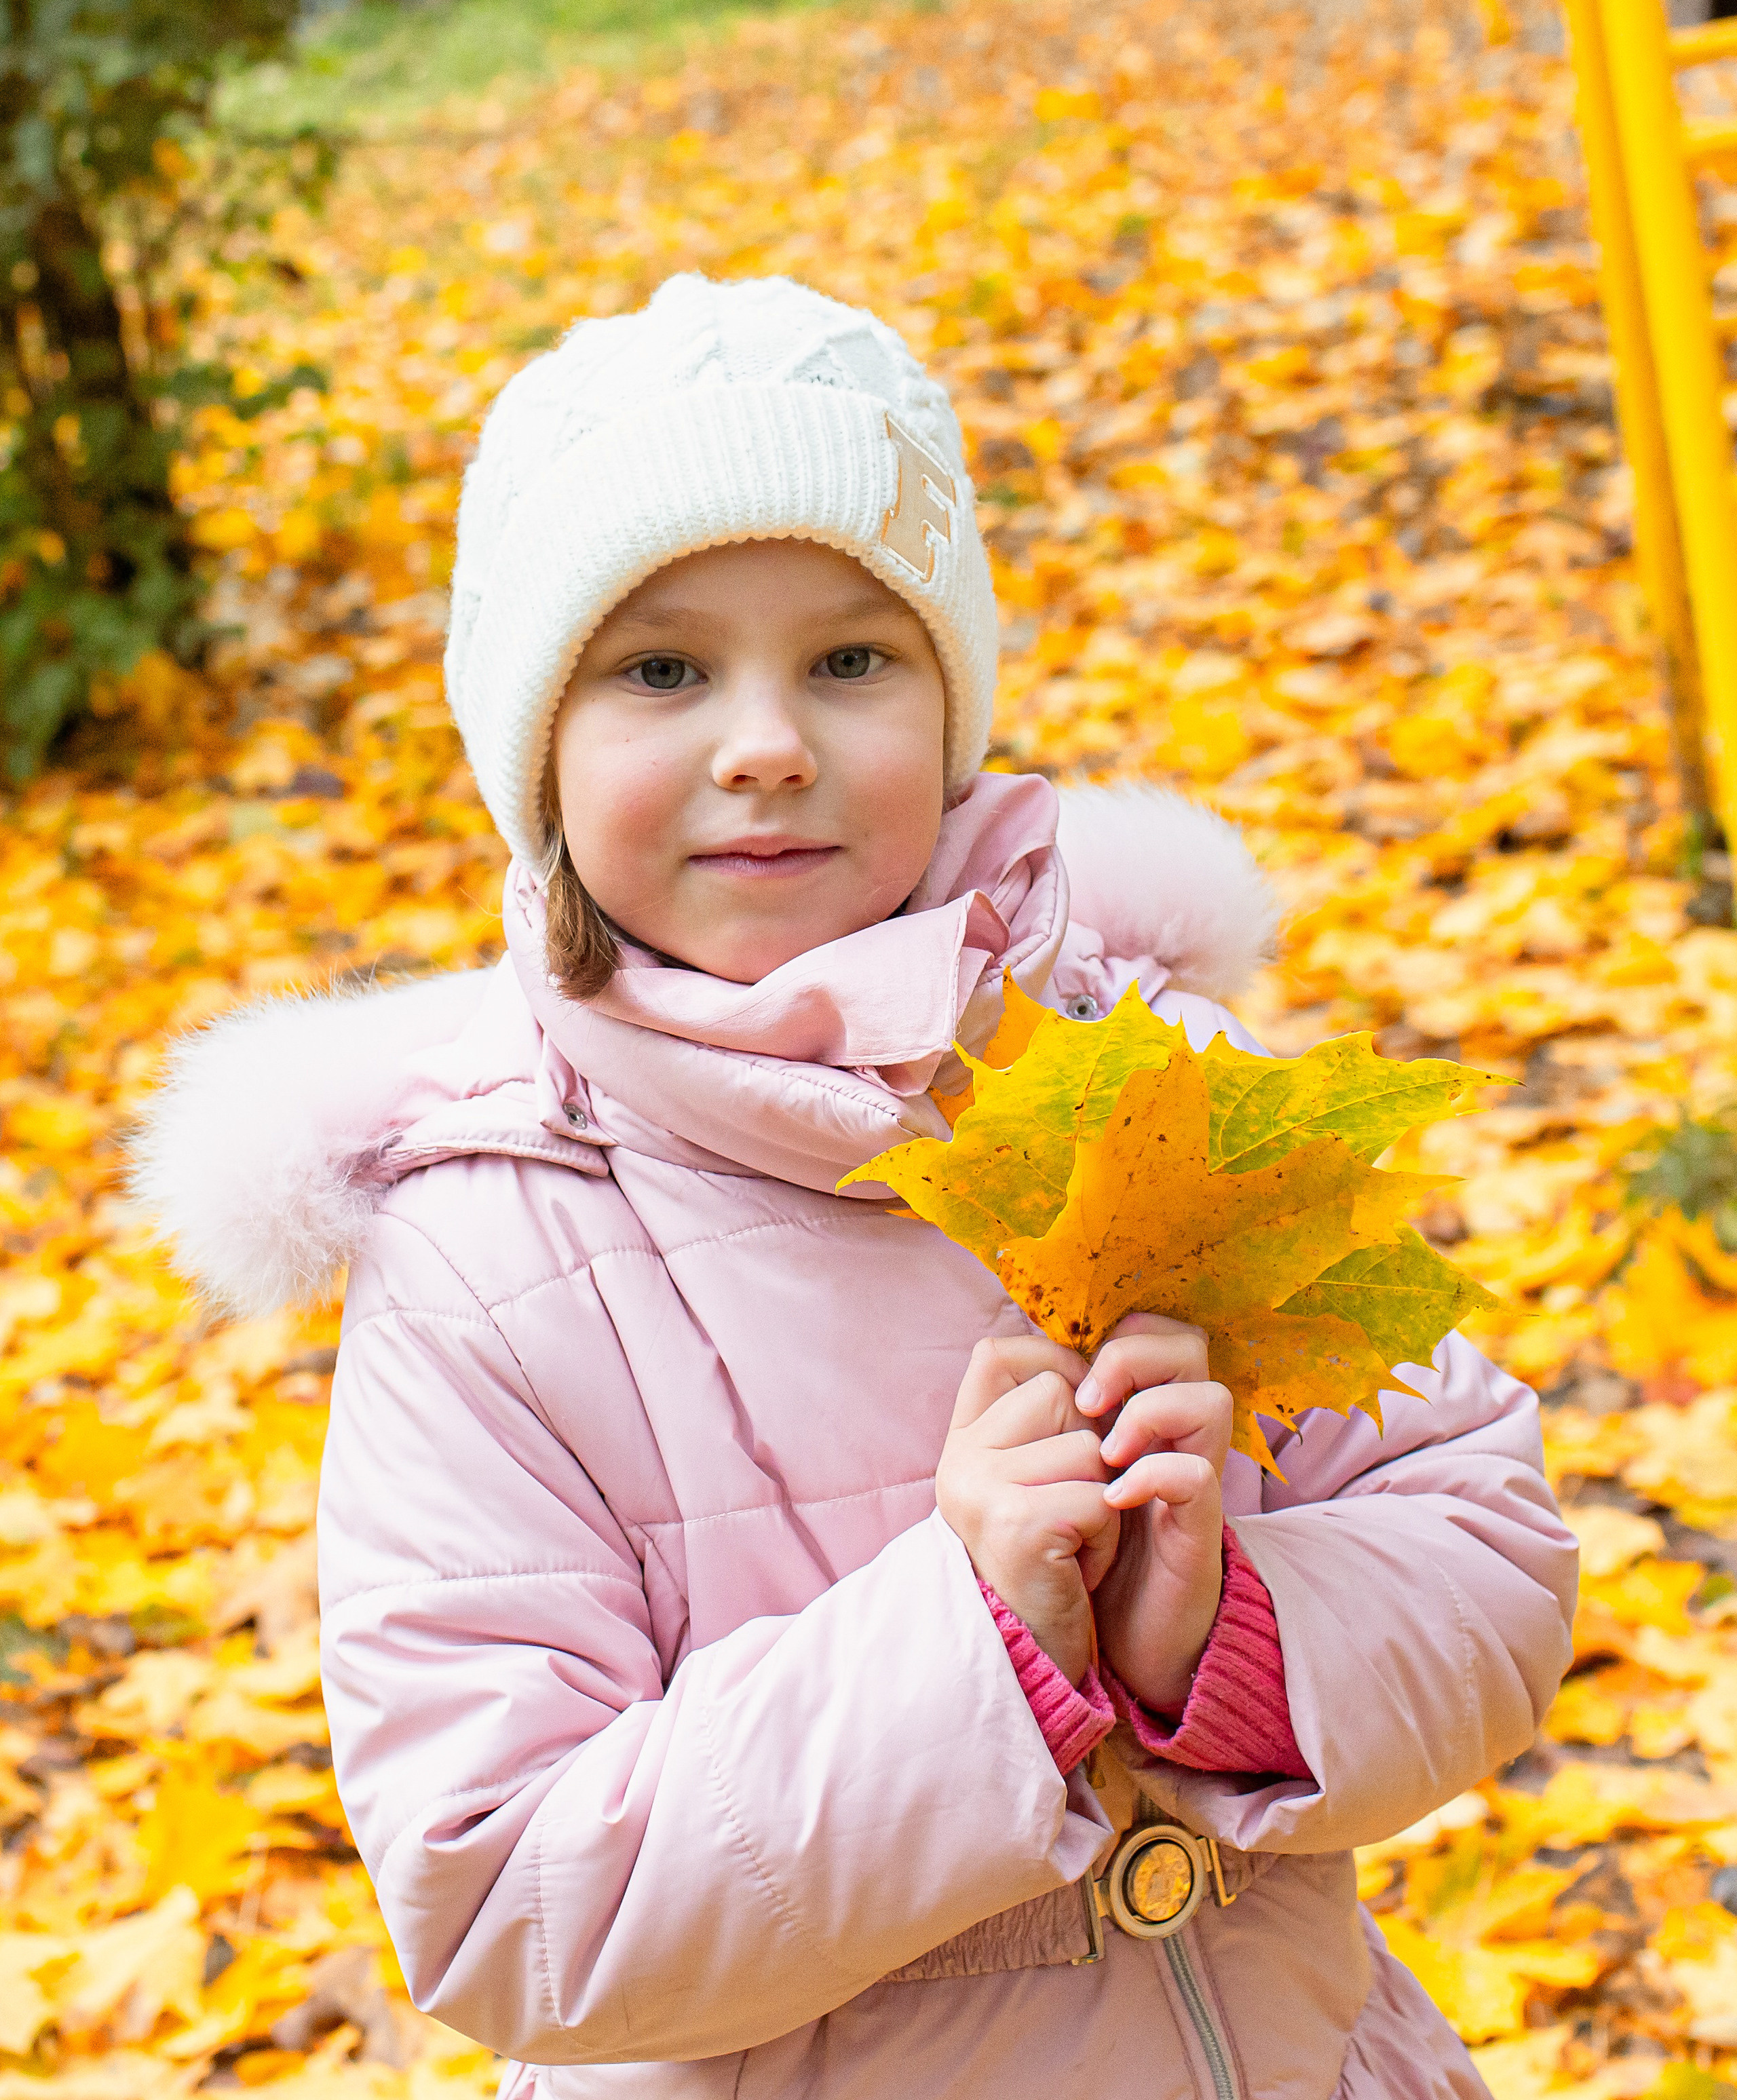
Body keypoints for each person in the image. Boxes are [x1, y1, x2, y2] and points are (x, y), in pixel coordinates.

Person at [137, 273, 1578, 2100]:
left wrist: (1221, 1638)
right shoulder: (488, 1250)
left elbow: (1488, 1540)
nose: (767, 741)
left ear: (951, 699)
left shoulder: (1150, 1077)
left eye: (851, 657)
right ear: (536, 754)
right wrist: (979, 1651)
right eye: (662, 668)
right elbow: (506, 1900)